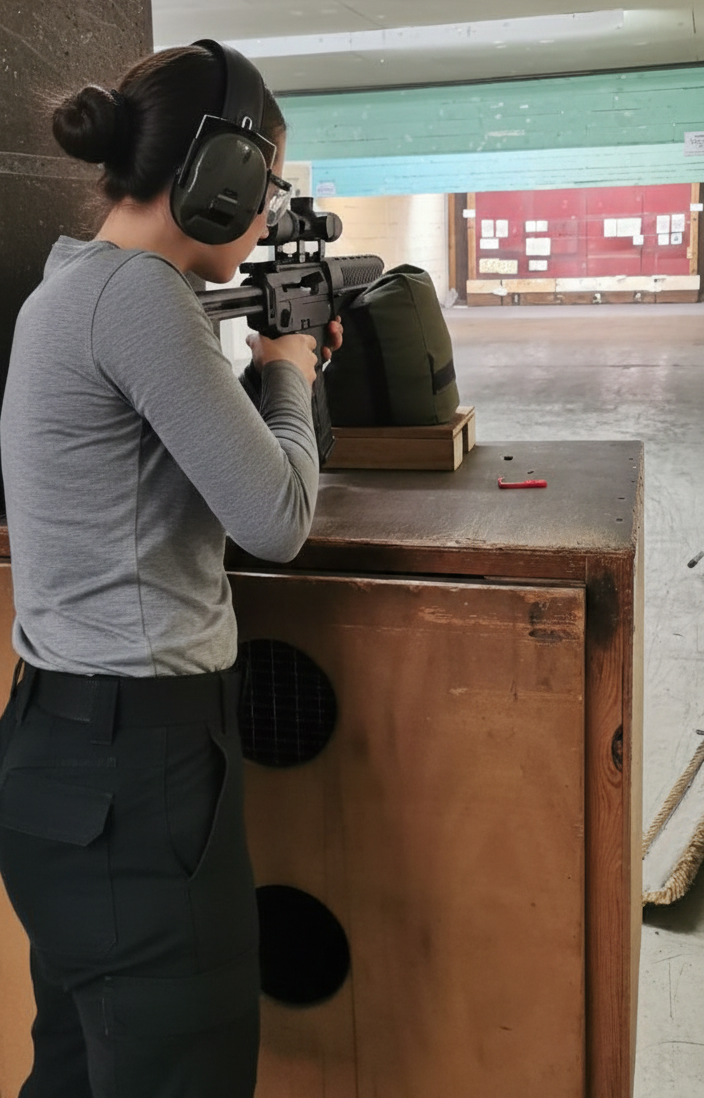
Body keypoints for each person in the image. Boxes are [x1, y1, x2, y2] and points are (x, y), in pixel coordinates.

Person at [0, 40, 341, 1098]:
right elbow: (276, 516)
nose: (265, 207)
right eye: (266, 180)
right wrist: (285, 371)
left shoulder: (72, 286)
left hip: (65, 759)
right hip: (137, 775)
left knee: (74, 1069)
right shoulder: (140, 298)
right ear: (224, 171)